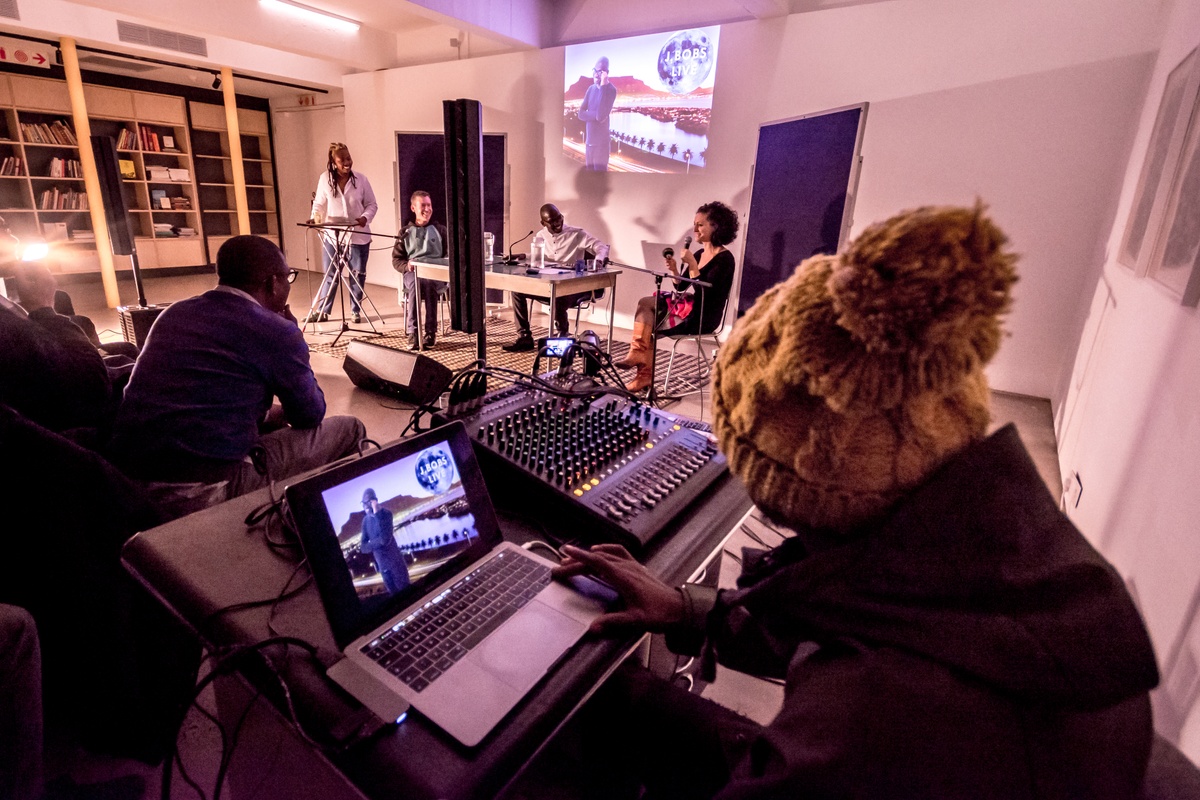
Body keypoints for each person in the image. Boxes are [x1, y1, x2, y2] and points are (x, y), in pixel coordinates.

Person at [552, 204, 1159, 799]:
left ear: (785, 489)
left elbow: (849, 723)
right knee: (629, 703)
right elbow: (846, 613)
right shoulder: (1000, 546)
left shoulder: (865, 721)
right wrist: (691, 611)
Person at [110, 235, 366, 520]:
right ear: (273, 283)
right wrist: (296, 344)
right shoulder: (276, 331)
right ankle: (324, 524)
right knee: (349, 429)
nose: (287, 284)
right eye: (288, 277)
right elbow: (309, 414)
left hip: (126, 484)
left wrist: (267, 414)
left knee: (273, 424)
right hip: (200, 492)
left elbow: (203, 393)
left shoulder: (174, 313)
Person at [615, 200, 737, 392]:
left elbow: (706, 294)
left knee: (648, 323)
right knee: (646, 305)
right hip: (691, 309)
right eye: (694, 224)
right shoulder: (699, 253)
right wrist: (674, 271)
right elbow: (681, 287)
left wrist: (693, 265)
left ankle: (642, 371)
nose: (694, 229)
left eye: (700, 225)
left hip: (704, 317)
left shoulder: (725, 259)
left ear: (716, 227)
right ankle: (638, 357)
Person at [0, 274, 112, 436]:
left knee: (80, 319)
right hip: (77, 418)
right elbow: (92, 388)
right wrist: (42, 307)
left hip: (60, 369)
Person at [503, 203, 610, 353]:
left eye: (559, 218)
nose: (557, 223)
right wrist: (522, 256)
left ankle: (562, 335)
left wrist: (598, 260)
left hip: (573, 287)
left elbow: (601, 246)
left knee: (558, 294)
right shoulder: (541, 236)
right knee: (517, 290)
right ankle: (524, 337)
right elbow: (540, 256)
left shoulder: (576, 234)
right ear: (543, 223)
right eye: (552, 221)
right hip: (550, 284)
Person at [306, 142, 378, 324]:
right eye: (342, 160)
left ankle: (355, 311)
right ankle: (323, 311)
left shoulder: (361, 180)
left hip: (358, 236)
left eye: (348, 158)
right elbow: (319, 204)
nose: (347, 163)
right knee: (330, 274)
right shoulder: (325, 179)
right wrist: (314, 218)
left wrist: (364, 218)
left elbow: (372, 204)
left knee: (357, 274)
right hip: (333, 236)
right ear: (333, 162)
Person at [391, 190, 448, 349]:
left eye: (429, 205)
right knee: (415, 284)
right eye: (423, 205)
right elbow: (396, 260)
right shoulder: (405, 232)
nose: (427, 209)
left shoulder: (441, 230)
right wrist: (406, 266)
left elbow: (449, 256)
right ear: (413, 208)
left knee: (429, 283)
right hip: (413, 273)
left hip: (435, 274)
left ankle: (430, 332)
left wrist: (441, 268)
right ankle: (413, 332)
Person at [359, 488, 408, 595]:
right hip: (383, 568)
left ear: (374, 501)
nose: (365, 506)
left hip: (397, 565)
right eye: (363, 503)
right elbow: (363, 547)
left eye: (367, 502)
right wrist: (378, 542)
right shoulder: (365, 521)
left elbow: (385, 539)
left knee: (407, 594)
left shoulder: (386, 514)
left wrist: (377, 514)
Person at [578, 56, 617, 171]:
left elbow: (600, 116)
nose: (595, 74)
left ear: (606, 73)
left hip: (601, 146)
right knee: (589, 179)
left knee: (599, 179)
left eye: (599, 71)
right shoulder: (591, 89)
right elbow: (580, 114)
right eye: (594, 70)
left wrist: (603, 85)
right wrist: (596, 114)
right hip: (589, 143)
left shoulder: (611, 90)